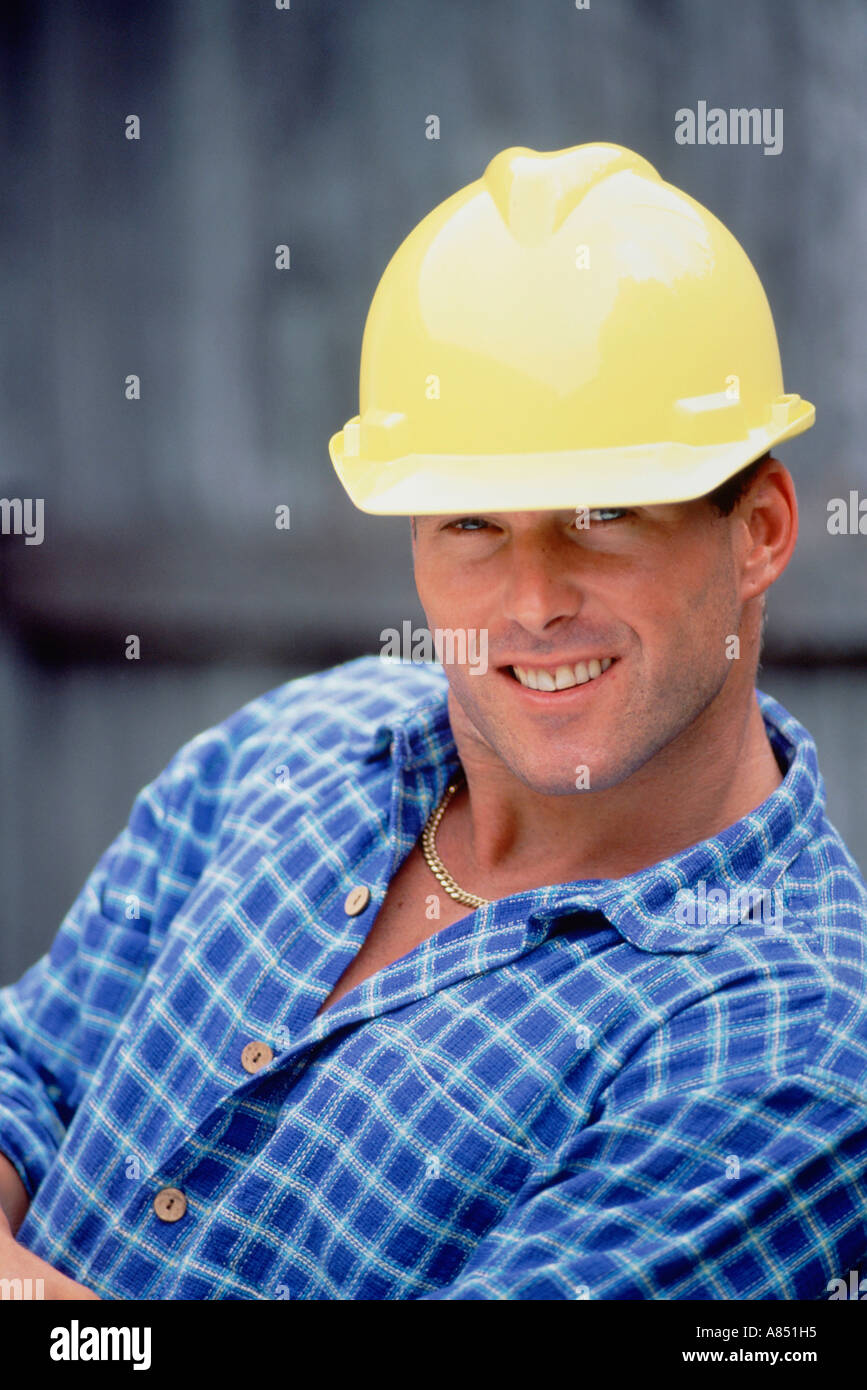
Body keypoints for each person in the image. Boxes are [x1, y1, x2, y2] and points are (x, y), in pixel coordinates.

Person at [2, 143, 866, 1301]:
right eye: (469, 523)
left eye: (601, 513)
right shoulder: (289, 749)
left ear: (757, 528)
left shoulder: (788, 1044)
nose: (532, 601)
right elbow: (34, 1068)